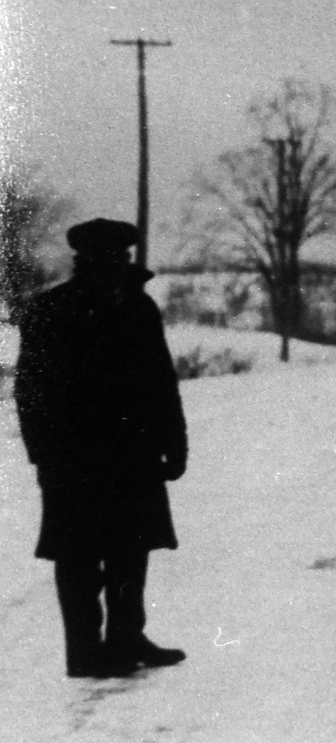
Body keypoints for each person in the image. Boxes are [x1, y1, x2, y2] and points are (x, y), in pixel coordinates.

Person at [13, 218, 188, 679]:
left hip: (134, 454)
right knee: (78, 556)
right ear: (85, 261)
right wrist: (44, 454)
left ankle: (127, 639)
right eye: (109, 258)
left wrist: (175, 443)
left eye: (122, 257)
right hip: (73, 457)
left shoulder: (139, 307)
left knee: (132, 549)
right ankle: (86, 652)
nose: (118, 264)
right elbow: (30, 391)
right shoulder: (51, 310)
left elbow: (161, 383)